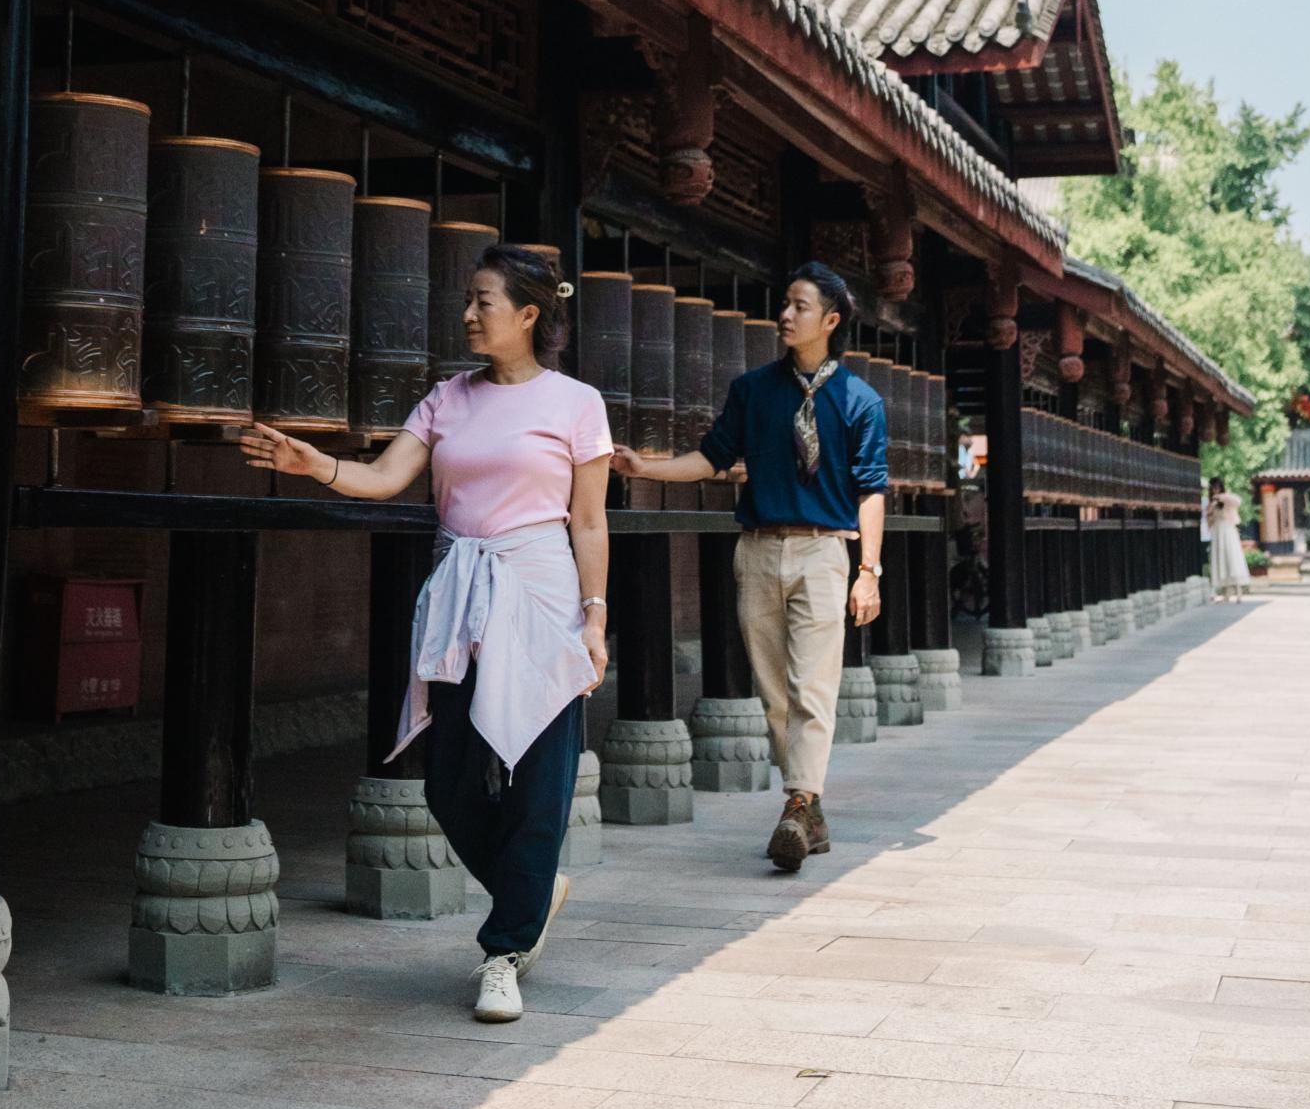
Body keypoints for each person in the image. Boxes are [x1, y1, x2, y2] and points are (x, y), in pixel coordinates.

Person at [240, 242, 610, 1024]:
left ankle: (504, 952)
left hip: (542, 601)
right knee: (446, 783)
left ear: (529, 314)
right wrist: (317, 465)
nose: (469, 314)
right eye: (470, 301)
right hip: (460, 601)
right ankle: (533, 890)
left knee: (541, 785)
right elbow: (383, 477)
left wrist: (595, 615)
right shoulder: (447, 397)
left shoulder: (577, 403)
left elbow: (587, 520)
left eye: (484, 301)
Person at [613, 261, 885, 875]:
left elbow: (872, 489)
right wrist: (645, 467)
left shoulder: (861, 402)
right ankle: (808, 810)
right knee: (773, 693)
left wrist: (869, 570)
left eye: (799, 306)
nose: (785, 315)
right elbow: (711, 458)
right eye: (784, 304)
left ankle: (796, 803)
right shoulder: (753, 390)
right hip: (757, 550)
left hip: (823, 552)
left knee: (813, 687)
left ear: (831, 320)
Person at [1205, 478, 1251, 600]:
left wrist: (1220, 497)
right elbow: (1208, 518)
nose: (1215, 490)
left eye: (1217, 487)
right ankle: (1226, 593)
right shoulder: (1211, 503)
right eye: (1213, 488)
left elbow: (1237, 501)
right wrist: (1211, 507)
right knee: (1221, 560)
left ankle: (1239, 592)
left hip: (1228, 531)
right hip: (1217, 532)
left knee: (1232, 558)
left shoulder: (1227, 500)